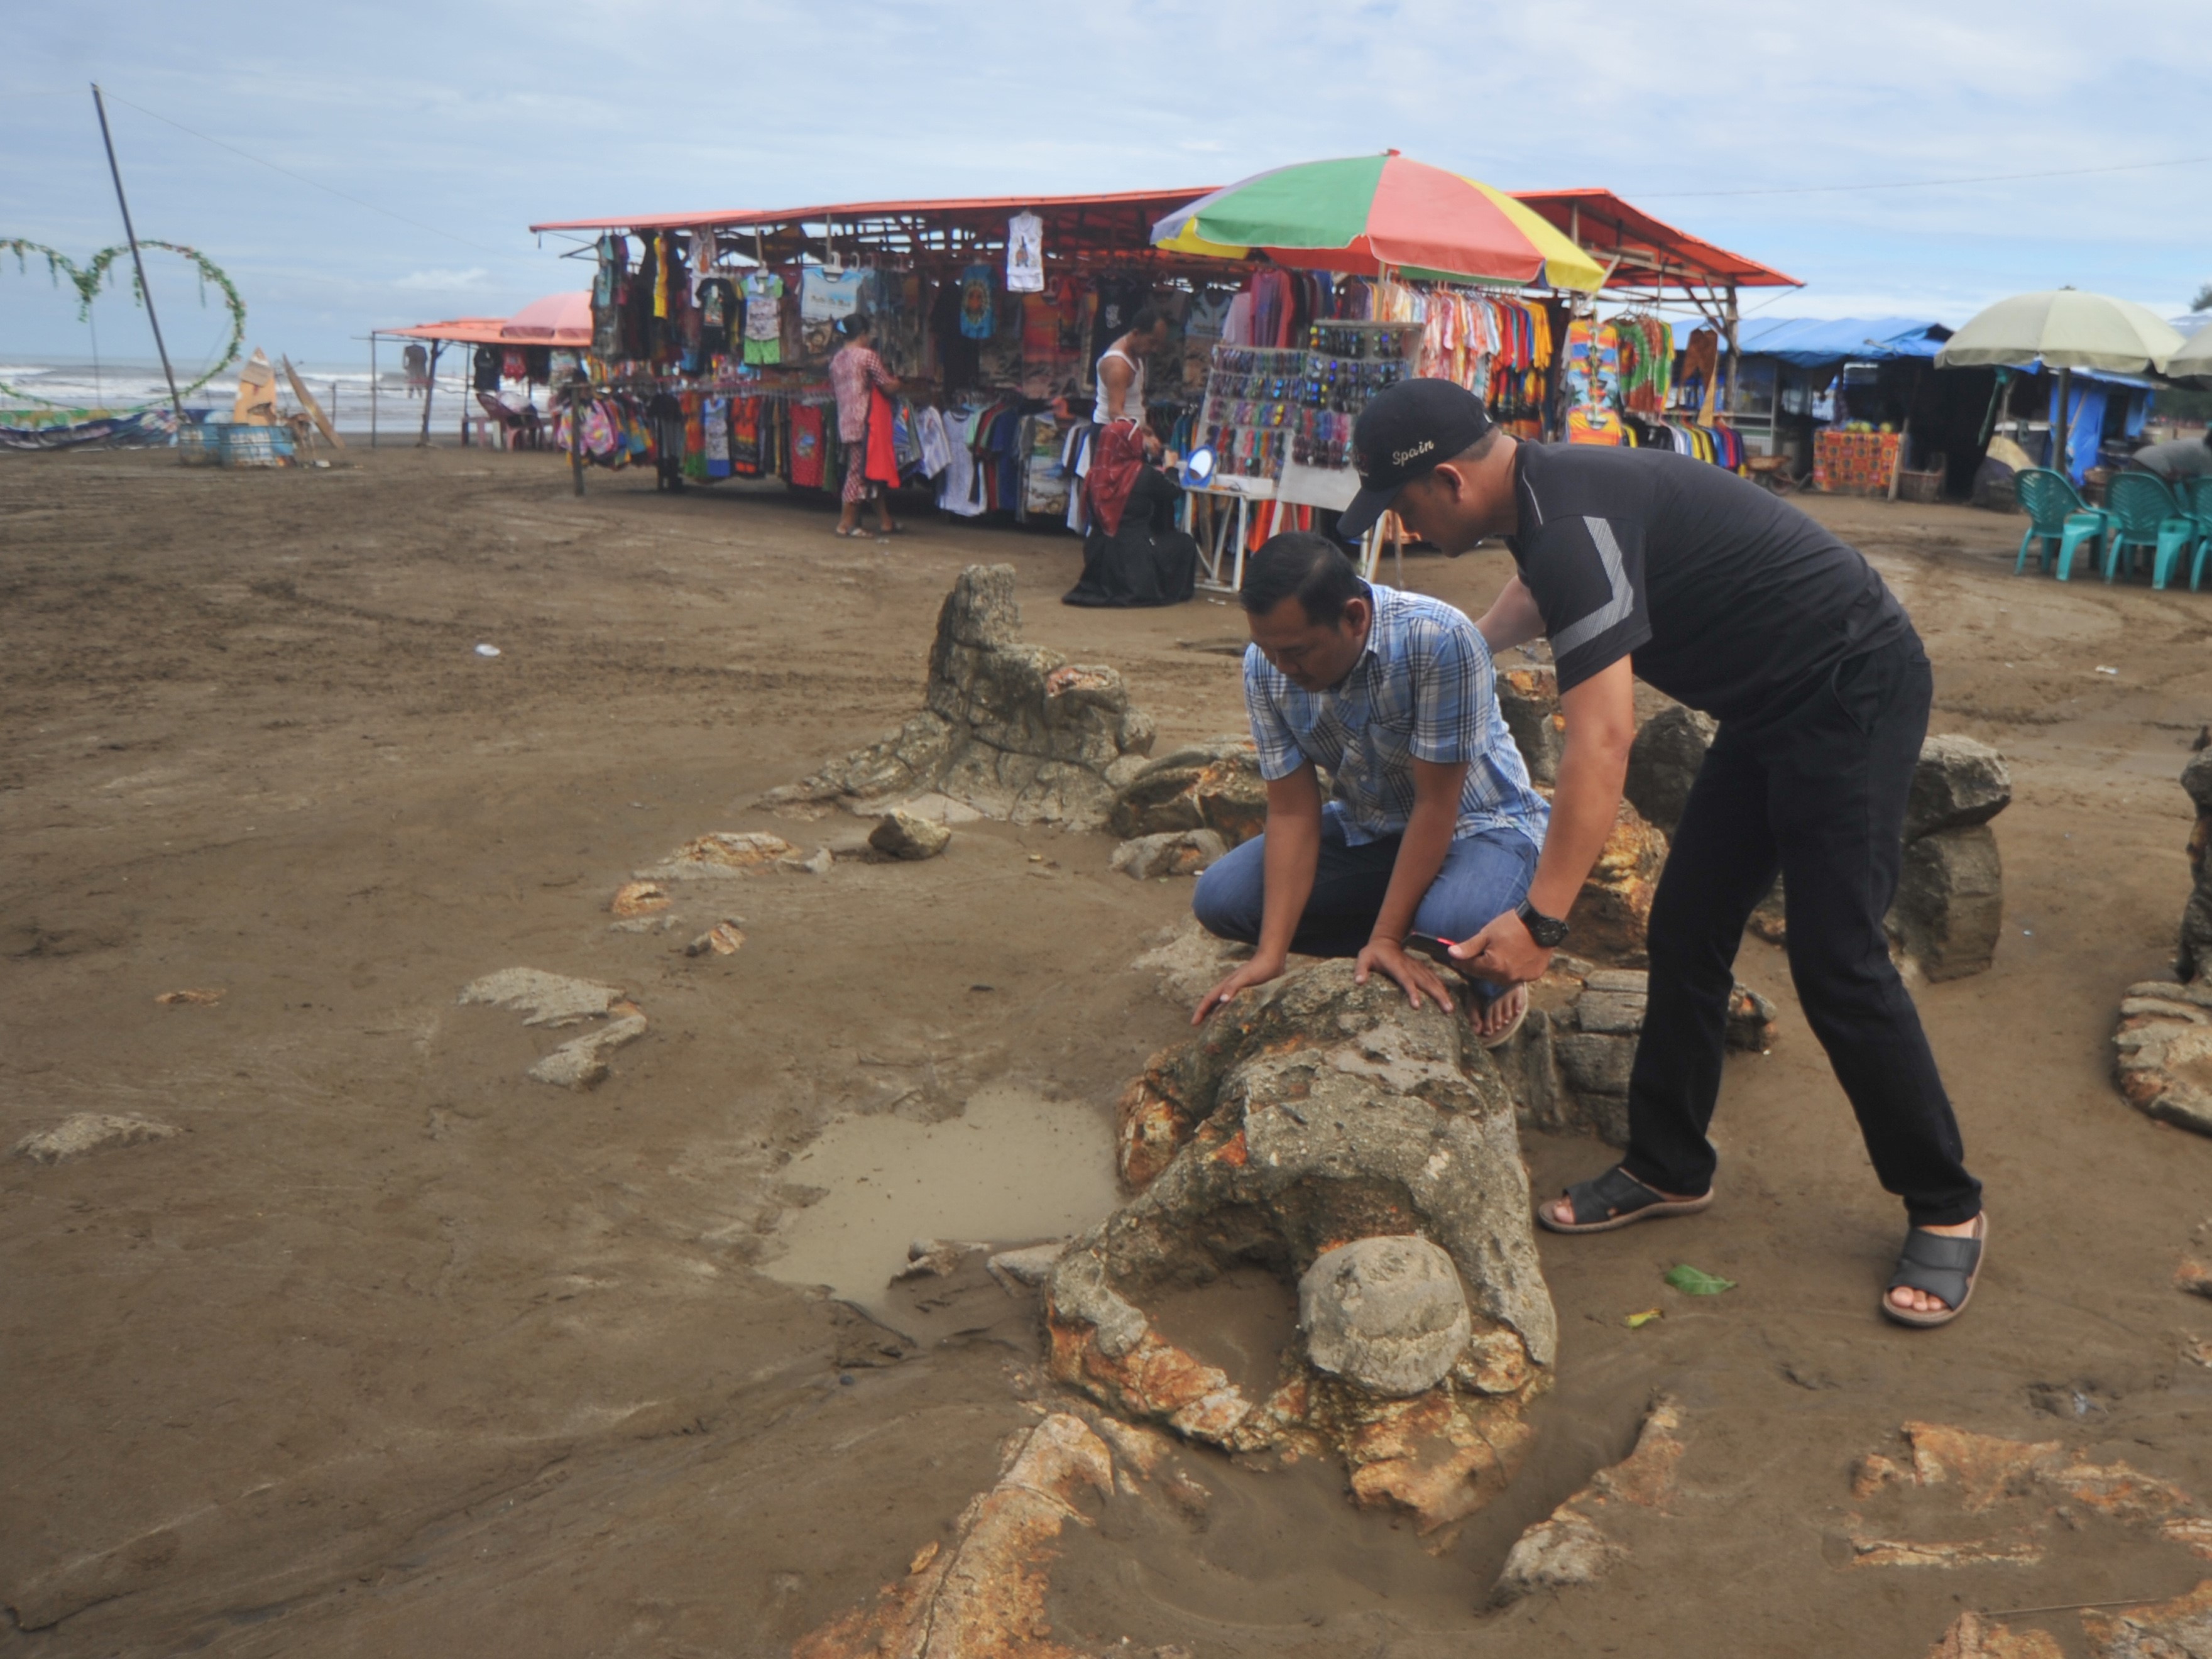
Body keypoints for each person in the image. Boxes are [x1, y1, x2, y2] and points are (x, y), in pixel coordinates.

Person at [1335, 378, 1986, 1328]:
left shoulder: (1566, 519)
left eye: (1401, 506)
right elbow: (1540, 587)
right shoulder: (1541, 495)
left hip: (1852, 689)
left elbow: (1603, 741)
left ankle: (1948, 1203)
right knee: (1686, 929)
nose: (1401, 524)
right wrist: (1469, 648)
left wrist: (1544, 923)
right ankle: (1670, 1166)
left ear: (1445, 479)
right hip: (1772, 705)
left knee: (1836, 958)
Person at [1190, 532, 1548, 1046]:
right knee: (1222, 899)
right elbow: (1292, 812)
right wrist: (1271, 955)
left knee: (1457, 920)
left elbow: (1436, 804)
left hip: (1482, 826)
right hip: (1371, 829)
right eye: (1268, 651)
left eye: (1295, 652)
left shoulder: (1440, 639)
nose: (1282, 669)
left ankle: (1482, 972)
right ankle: (1411, 936)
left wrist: (1384, 936)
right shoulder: (1265, 667)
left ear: (1355, 617)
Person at [1062, 432, 1198, 608]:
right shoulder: (1143, 474)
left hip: (1098, 552)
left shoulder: (1095, 473)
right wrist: (1171, 467)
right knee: (1185, 543)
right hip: (1134, 554)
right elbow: (1173, 491)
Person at [828, 314, 901, 537]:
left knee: (869, 472)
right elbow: (886, 386)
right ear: (862, 335)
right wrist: (900, 382)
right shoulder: (866, 357)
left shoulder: (837, 360)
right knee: (858, 473)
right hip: (865, 422)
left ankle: (886, 521)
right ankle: (846, 523)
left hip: (846, 421)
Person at [1095, 306, 1169, 427]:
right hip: (1111, 436)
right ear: (1136, 333)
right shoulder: (1118, 365)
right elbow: (1115, 413)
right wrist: (1142, 436)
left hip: (1130, 434)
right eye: (1152, 342)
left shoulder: (1136, 356)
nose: (1155, 349)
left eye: (1158, 344)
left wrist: (1145, 431)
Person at [2128, 430, 2212, 488]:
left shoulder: (2197, 443)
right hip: (2154, 466)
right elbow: (2206, 486)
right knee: (2168, 506)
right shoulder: (2207, 455)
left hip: (2139, 457)